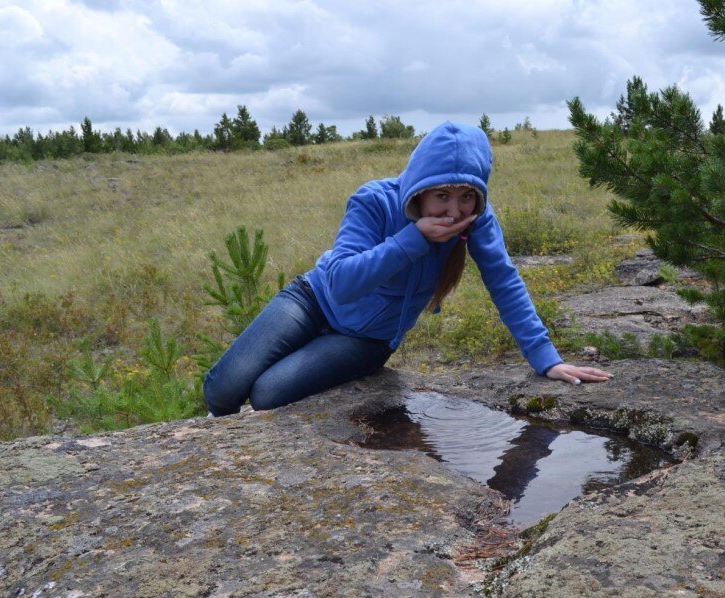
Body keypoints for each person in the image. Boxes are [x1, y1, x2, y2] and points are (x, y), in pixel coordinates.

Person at [203, 121, 610, 417]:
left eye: (468, 196)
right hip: (313, 300)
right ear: (419, 187)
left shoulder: (477, 221)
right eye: (442, 195)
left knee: (266, 394)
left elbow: (504, 281)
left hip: (367, 340)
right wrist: (412, 240)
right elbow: (341, 283)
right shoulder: (373, 200)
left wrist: (546, 358)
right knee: (223, 389)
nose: (454, 211)